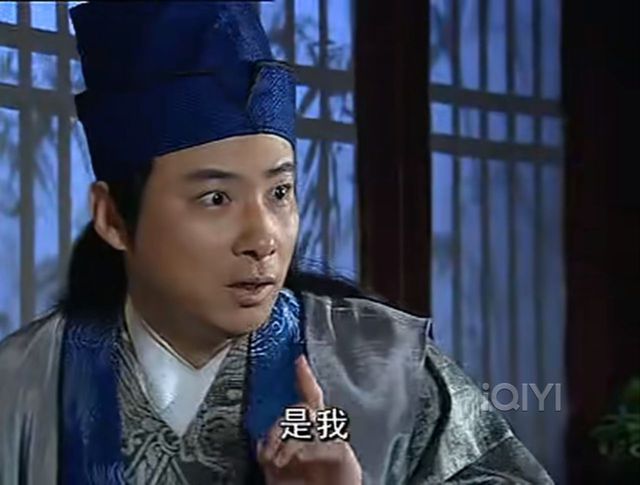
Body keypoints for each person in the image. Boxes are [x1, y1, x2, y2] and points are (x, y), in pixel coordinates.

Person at [0, 3, 552, 484]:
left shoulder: (382, 367)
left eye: (280, 192)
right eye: (216, 198)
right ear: (113, 218)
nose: (263, 238)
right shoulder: (23, 385)